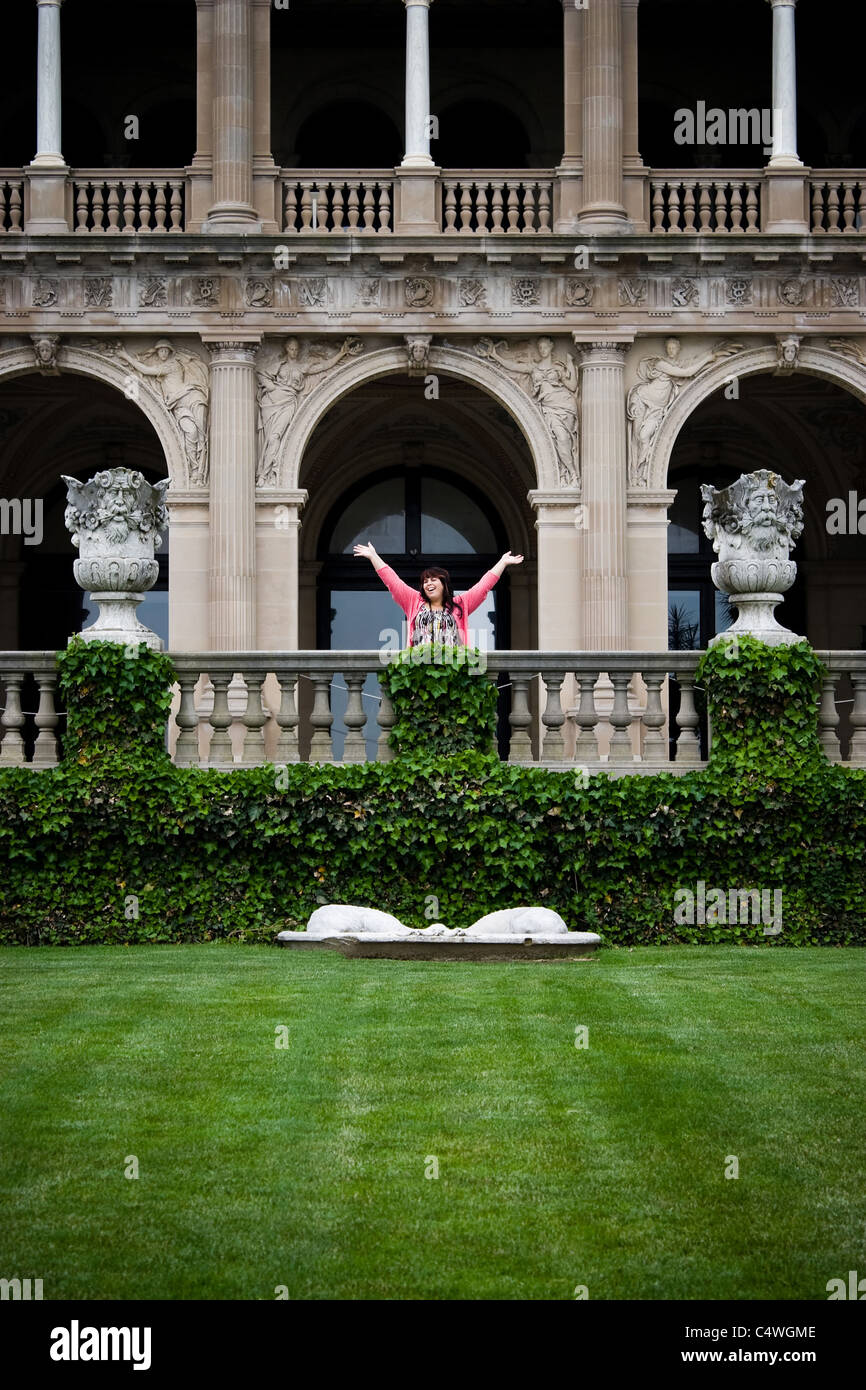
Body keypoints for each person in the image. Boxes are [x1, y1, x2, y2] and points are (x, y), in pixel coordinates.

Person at [353, 542, 524, 649]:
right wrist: (373, 557)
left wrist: (502, 563)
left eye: (433, 579)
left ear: (444, 584)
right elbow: (393, 581)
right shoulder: (414, 601)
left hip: (452, 671)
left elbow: (483, 587)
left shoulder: (460, 605)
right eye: (425, 581)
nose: (428, 584)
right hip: (419, 670)